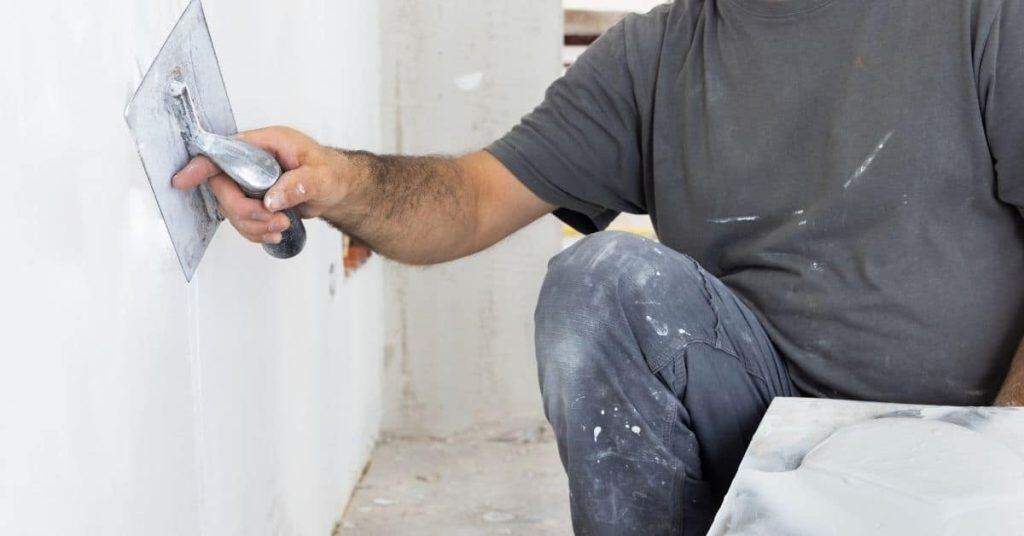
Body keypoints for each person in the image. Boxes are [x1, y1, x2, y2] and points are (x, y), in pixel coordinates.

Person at [172, 1, 1024, 533]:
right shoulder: (655, 55)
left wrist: (996, 462)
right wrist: (340, 179)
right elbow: (473, 199)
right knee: (599, 281)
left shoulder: (980, 18)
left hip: (963, 440)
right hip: (758, 426)